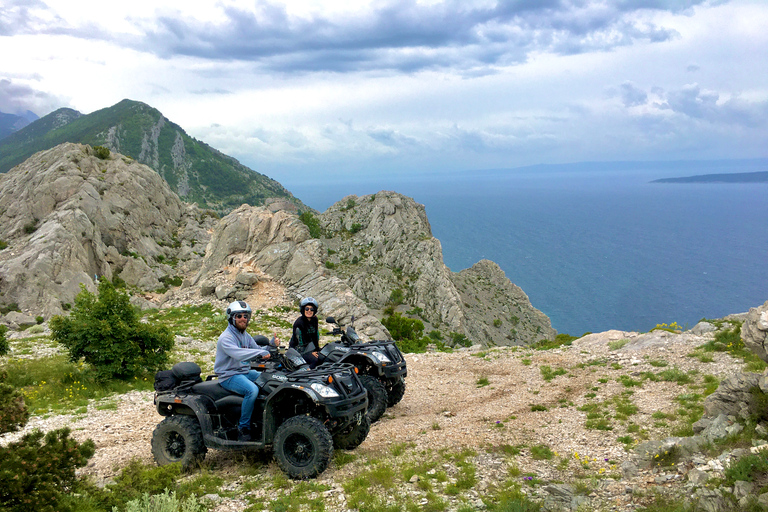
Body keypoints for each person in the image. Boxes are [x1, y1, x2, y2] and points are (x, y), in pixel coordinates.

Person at [214, 300, 276, 442]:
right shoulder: (226, 338)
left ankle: (263, 418)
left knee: (269, 379)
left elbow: (257, 349)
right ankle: (244, 428)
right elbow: (239, 354)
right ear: (232, 318)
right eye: (239, 316)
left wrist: (271, 347)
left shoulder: (245, 335)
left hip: (244, 372)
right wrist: (259, 354)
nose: (243, 319)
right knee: (252, 390)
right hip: (229, 375)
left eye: (245, 316)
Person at [289, 297, 320, 368]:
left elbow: (315, 336)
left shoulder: (315, 319)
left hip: (309, 348)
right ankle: (309, 375)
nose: (309, 311)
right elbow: (301, 342)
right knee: (315, 360)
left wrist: (317, 349)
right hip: (298, 350)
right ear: (303, 310)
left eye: (312, 309)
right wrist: (310, 352)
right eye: (307, 309)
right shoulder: (299, 323)